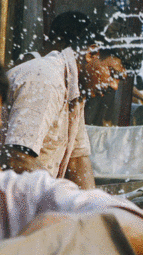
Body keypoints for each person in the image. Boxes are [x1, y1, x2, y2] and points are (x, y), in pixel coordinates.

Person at [0, 19, 126, 189]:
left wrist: (93, 206)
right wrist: (65, 197)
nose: (114, 85)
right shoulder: (47, 80)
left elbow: (78, 160)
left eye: (119, 79)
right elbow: (18, 158)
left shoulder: (76, 90)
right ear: (92, 53)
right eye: (112, 73)